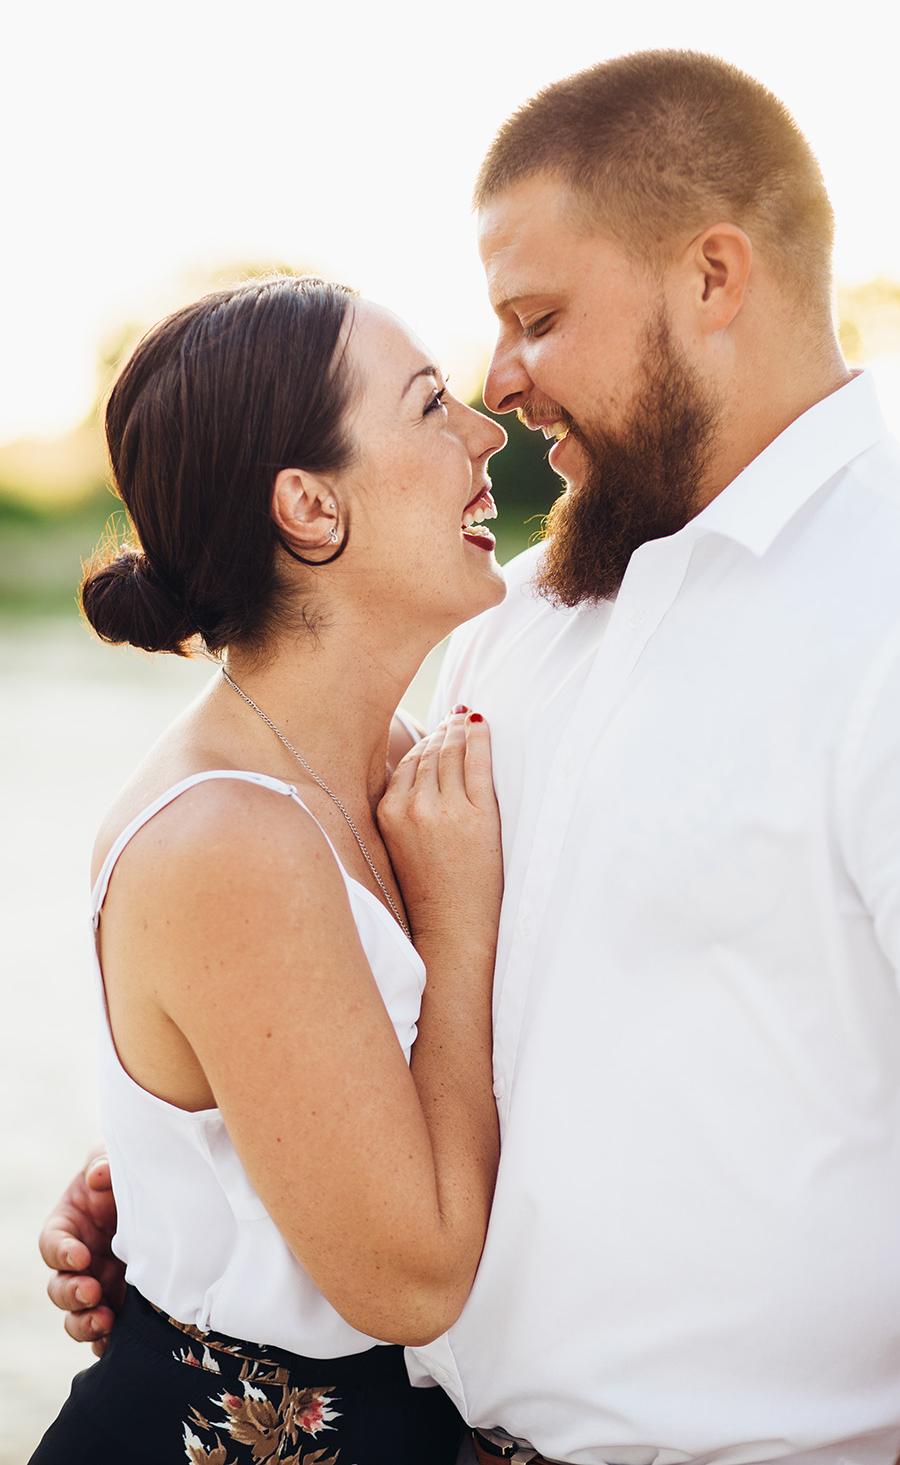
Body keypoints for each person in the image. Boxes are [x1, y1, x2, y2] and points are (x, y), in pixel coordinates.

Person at [42, 51, 900, 1465]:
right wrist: (213, 1184)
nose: (501, 387)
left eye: (537, 320)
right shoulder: (527, 617)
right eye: (465, 361)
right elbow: (431, 993)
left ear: (714, 280)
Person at [30, 273, 509, 1464]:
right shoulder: (223, 841)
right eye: (431, 405)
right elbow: (413, 1282)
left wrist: (148, 1178)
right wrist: (456, 928)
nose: (487, 432)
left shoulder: (401, 761)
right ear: (308, 506)